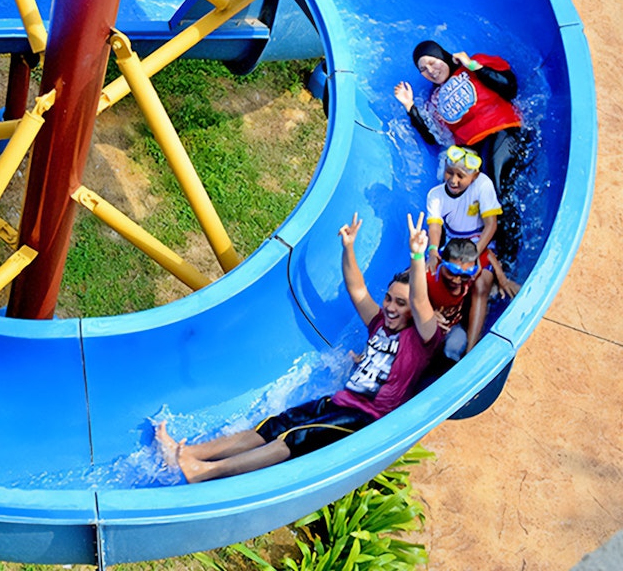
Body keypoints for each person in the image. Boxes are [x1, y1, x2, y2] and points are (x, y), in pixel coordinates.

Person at [154, 212, 441, 483]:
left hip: (365, 418)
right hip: (338, 402)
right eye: (389, 298)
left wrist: (417, 255)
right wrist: (348, 247)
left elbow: (419, 301)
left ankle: (205, 471)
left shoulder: (422, 340)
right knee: (273, 426)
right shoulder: (378, 323)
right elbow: (357, 289)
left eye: (399, 303)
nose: (390, 307)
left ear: (413, 310)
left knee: (293, 439)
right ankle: (187, 454)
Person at [394, 40, 526, 263]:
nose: (430, 71)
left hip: (501, 130)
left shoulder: (472, 65)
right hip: (472, 148)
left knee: (493, 187)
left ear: (443, 56)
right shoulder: (433, 101)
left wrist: (473, 66)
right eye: (423, 70)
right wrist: (410, 108)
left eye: (432, 63)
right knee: (461, 195)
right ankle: (464, 258)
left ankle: (507, 259)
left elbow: (510, 87)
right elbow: (433, 138)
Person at [425, 145, 522, 360]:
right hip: (453, 244)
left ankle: (470, 348)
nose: (453, 180)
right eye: (449, 172)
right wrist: (433, 251)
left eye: (461, 176)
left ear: (474, 175)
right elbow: (435, 226)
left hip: (480, 242)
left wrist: (473, 255)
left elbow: (491, 225)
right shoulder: (435, 195)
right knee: (439, 279)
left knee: (480, 285)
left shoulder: (483, 185)